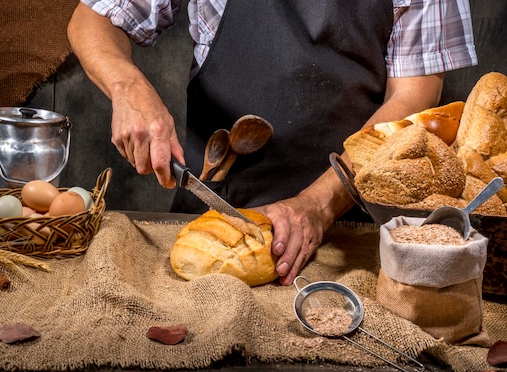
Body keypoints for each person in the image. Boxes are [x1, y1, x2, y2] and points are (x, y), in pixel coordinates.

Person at [67, 0, 477, 285]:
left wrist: (318, 206)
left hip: (358, 237)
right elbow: (92, 20)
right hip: (215, 223)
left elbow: (412, 96)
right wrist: (129, 88)